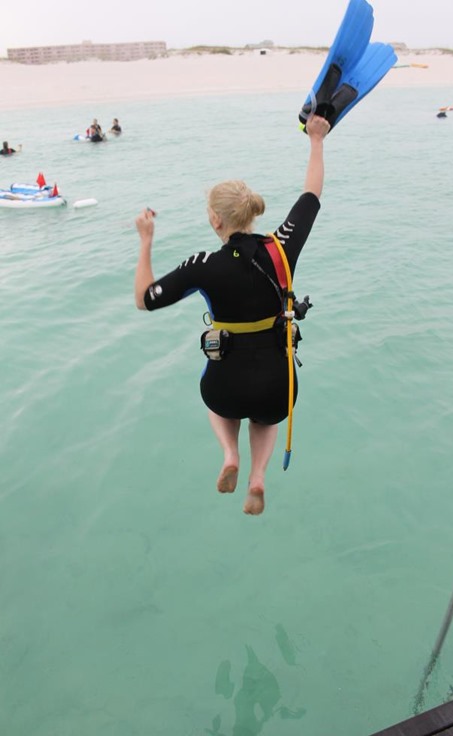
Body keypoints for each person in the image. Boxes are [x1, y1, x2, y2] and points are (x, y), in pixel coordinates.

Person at [134, 115, 330, 515]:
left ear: (215, 219)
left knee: (219, 404)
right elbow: (311, 195)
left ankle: (230, 455)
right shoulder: (281, 247)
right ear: (252, 213)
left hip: (225, 386)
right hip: (279, 386)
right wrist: (316, 140)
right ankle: (258, 477)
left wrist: (146, 241)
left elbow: (145, 299)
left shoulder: (202, 264)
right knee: (265, 417)